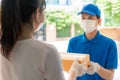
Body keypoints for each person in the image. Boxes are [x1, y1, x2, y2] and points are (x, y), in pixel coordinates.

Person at [0, 0, 65, 80]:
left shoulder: (2, 49)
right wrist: (74, 72)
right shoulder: (46, 52)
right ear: (37, 13)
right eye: (43, 11)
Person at [67, 3, 118, 80]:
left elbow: (110, 76)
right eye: (83, 18)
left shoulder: (110, 44)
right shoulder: (73, 42)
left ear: (99, 20)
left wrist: (98, 68)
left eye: (90, 18)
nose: (86, 21)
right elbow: (70, 71)